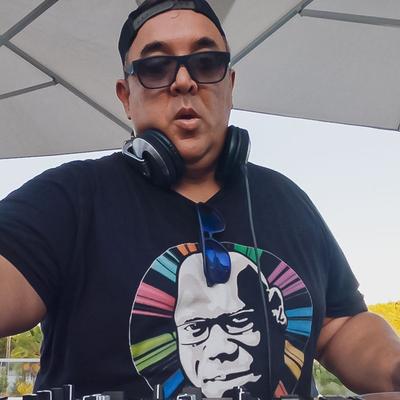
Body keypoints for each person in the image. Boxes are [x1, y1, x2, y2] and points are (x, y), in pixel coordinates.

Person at [0, 0, 399, 399]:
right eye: (155, 68)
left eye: (206, 64)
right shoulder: (68, 199)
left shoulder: (288, 202)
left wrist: (393, 367)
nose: (183, 81)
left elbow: (339, 326)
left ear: (230, 85)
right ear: (126, 97)